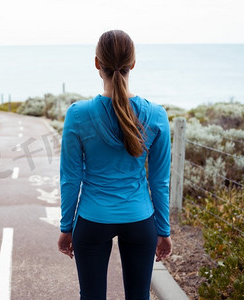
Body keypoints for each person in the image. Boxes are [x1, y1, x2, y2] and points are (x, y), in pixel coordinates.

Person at [57, 30, 173, 300]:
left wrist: (66, 226)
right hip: (140, 219)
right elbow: (159, 181)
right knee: (138, 296)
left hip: (92, 219)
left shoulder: (78, 114)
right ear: (132, 64)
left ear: (98, 64)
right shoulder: (156, 115)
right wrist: (163, 229)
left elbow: (70, 177)